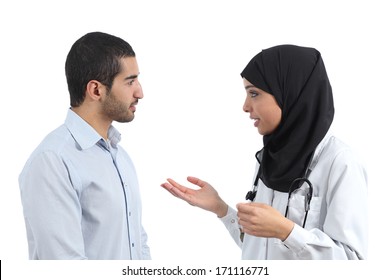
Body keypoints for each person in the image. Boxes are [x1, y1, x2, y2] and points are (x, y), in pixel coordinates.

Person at [161, 45, 368, 260]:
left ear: (289, 91)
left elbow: (351, 260)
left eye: (254, 93)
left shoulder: (340, 162)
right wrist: (221, 209)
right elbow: (258, 249)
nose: (245, 106)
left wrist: (286, 231)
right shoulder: (269, 157)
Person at [19, 32, 151, 260]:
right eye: (130, 81)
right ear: (96, 90)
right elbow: (65, 265)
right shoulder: (53, 161)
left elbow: (138, 244)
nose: (140, 92)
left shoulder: (120, 156)